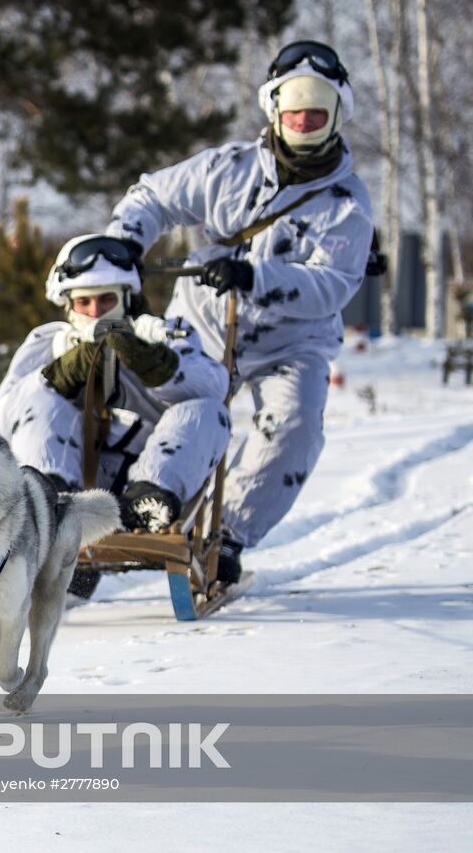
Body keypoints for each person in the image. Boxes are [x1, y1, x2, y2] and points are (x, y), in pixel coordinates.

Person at [104, 40, 373, 583]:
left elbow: (331, 285)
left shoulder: (347, 204)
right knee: (156, 405)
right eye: (294, 112)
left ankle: (228, 535)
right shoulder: (227, 169)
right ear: (274, 109)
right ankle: (123, 507)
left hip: (292, 342)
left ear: (337, 113)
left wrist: (255, 276)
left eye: (316, 113)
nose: (303, 122)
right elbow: (152, 197)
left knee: (295, 427)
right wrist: (124, 246)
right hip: (203, 324)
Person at [0, 235, 232, 597]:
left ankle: (146, 501)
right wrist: (57, 375)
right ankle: (49, 500)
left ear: (126, 298)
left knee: (209, 411)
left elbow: (215, 386)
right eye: (84, 302)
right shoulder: (47, 342)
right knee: (39, 399)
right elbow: (5, 414)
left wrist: (158, 366)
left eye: (107, 300)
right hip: (76, 477)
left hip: (153, 470)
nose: (96, 312)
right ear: (68, 304)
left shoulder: (165, 333)